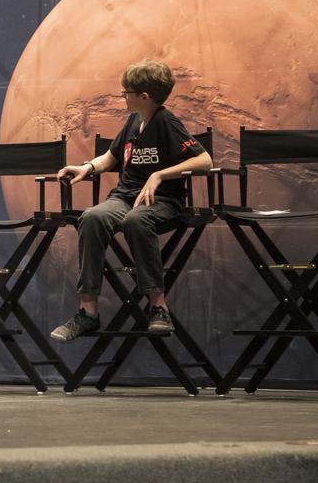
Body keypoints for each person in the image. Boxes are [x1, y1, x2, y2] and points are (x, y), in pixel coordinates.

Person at [50, 59, 212, 341]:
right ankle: (88, 311)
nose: (123, 96)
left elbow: (205, 161)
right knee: (92, 217)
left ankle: (158, 307)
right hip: (125, 197)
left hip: (162, 201)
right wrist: (87, 167)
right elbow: (111, 157)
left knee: (136, 221)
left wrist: (159, 175)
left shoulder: (166, 122)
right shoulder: (133, 121)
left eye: (126, 92)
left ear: (144, 96)